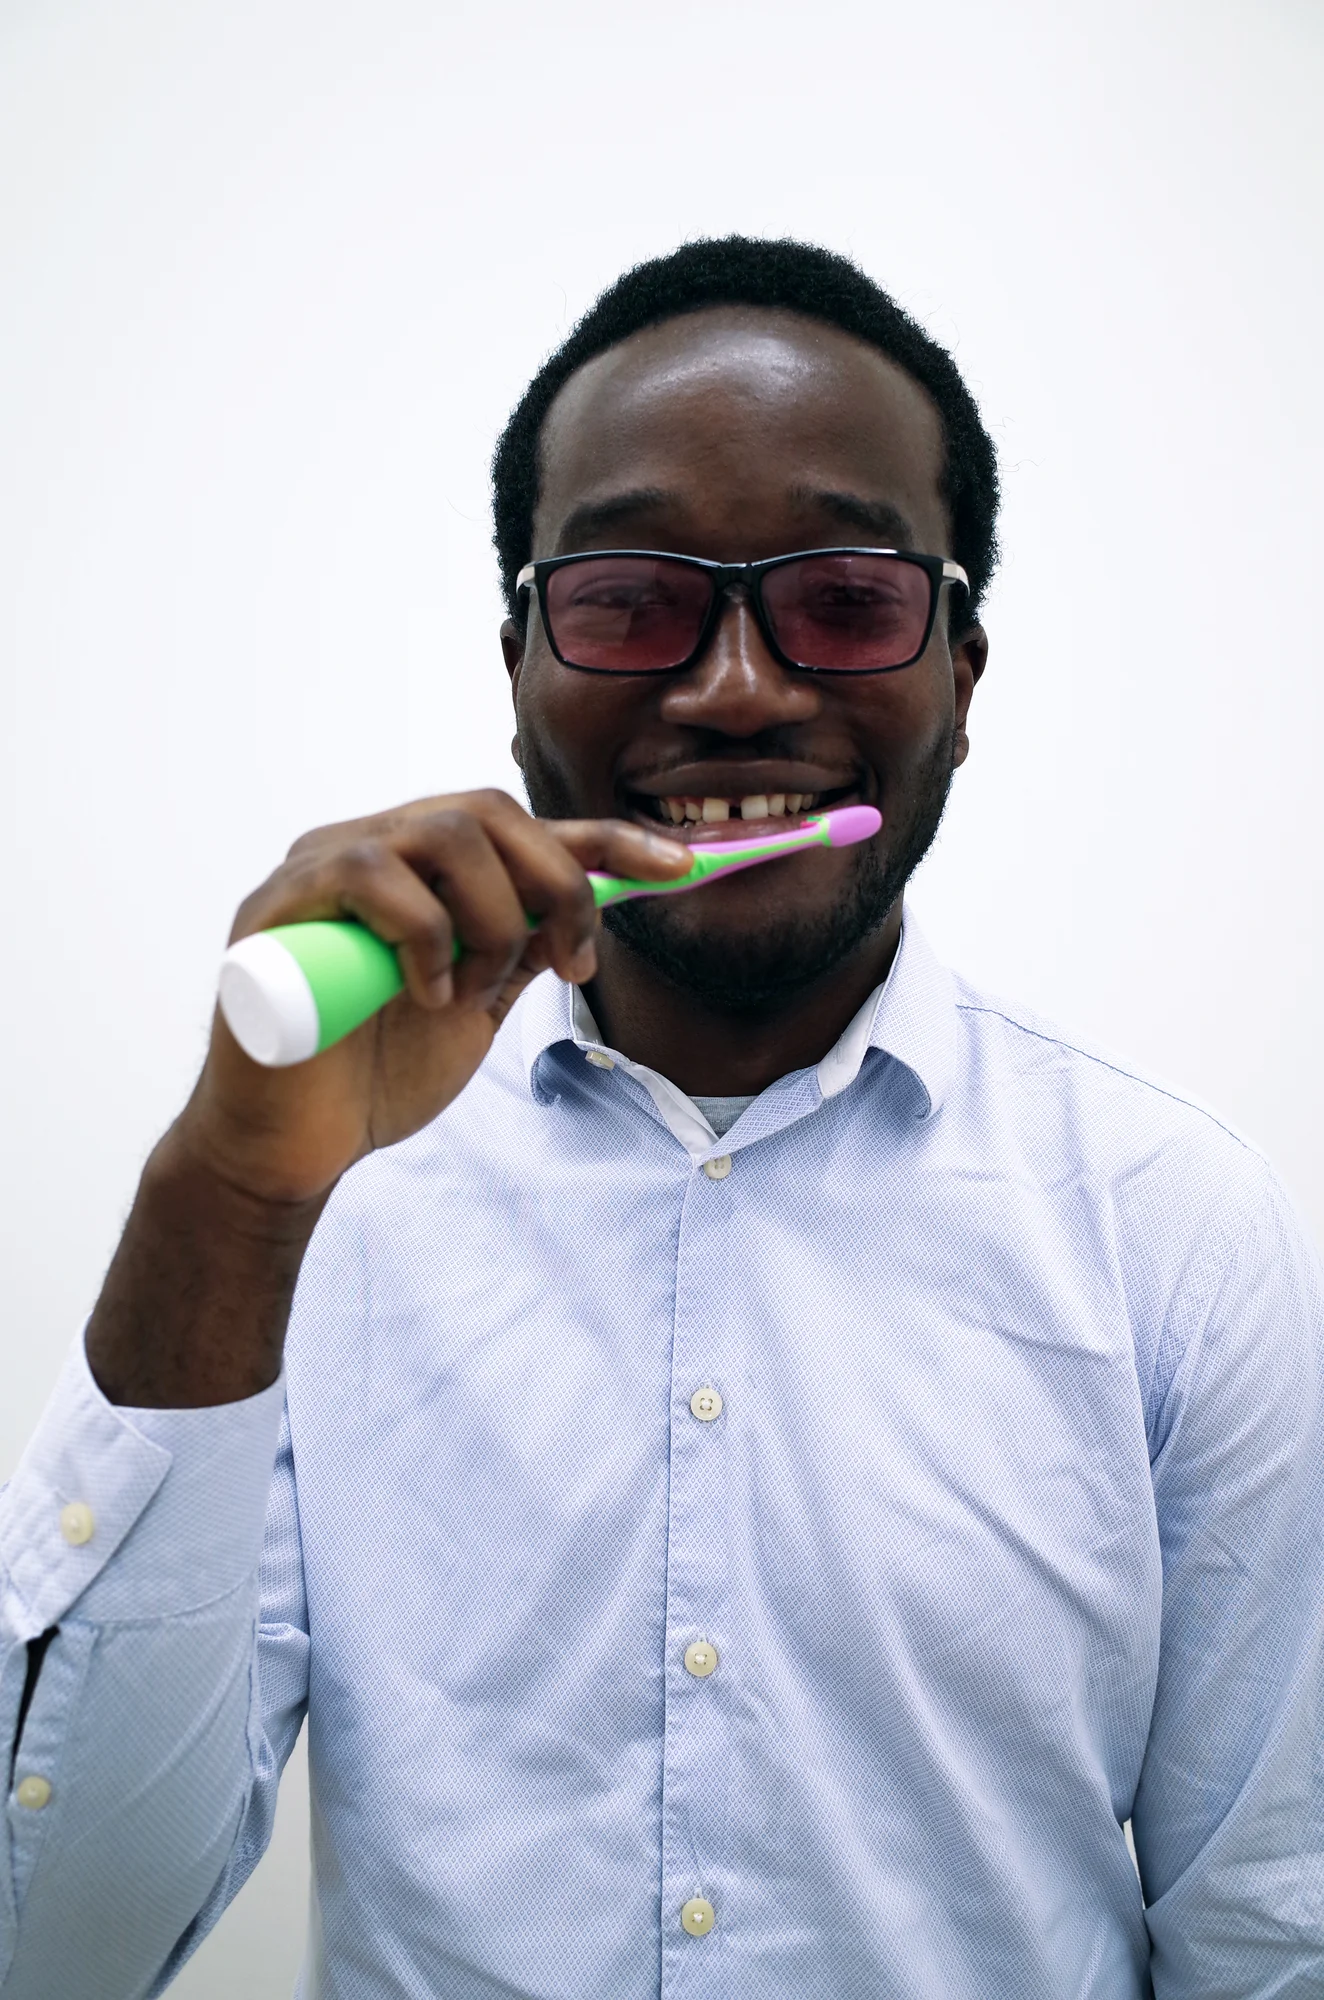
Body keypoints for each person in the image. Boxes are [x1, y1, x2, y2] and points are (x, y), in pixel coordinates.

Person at [1, 236, 1320, 2000]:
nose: (737, 689)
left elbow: (1269, 1936)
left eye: (846, 600)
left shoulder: (1178, 1232)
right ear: (523, 661)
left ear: (965, 680)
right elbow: (56, 1946)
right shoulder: (331, 1219)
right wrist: (230, 1200)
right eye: (633, 600)